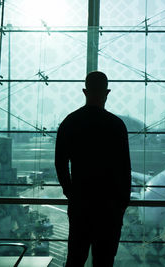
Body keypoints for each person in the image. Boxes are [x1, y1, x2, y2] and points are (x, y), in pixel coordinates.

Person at [55, 71, 132, 267]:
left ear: (84, 91)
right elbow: (125, 168)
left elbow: (60, 163)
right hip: (109, 207)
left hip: (81, 203)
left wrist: (71, 192)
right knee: (104, 260)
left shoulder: (70, 122)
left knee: (75, 258)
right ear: (107, 93)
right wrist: (121, 203)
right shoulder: (116, 125)